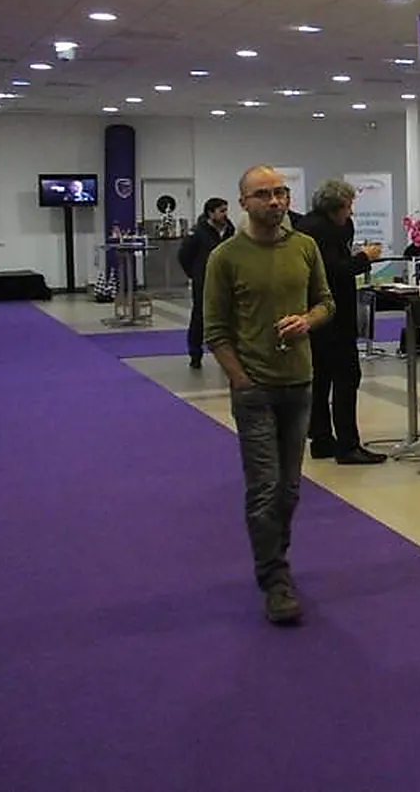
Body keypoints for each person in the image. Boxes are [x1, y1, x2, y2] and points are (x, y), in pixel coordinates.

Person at [202, 166, 334, 626]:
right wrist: (240, 379)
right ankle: (275, 579)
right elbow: (214, 330)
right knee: (265, 488)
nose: (275, 201)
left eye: (281, 192)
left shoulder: (305, 247)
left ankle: (276, 556)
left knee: (290, 490)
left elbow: (326, 302)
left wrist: (308, 321)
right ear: (244, 203)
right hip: (254, 389)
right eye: (264, 195)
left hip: (299, 385)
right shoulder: (225, 257)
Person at [295, 180, 386, 466]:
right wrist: (365, 258)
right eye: (348, 206)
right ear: (337, 207)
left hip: (314, 314)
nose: (351, 212)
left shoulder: (308, 227)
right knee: (347, 378)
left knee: (321, 379)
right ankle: (348, 444)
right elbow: (335, 271)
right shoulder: (323, 232)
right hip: (333, 315)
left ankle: (321, 439)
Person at [178, 196, 233, 369]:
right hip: (204, 281)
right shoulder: (198, 232)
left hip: (226, 281)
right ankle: (195, 353)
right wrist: (195, 274)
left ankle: (229, 355)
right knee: (200, 317)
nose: (225, 214)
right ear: (211, 213)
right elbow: (184, 255)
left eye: (226, 210)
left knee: (228, 317)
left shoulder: (230, 230)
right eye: (221, 211)